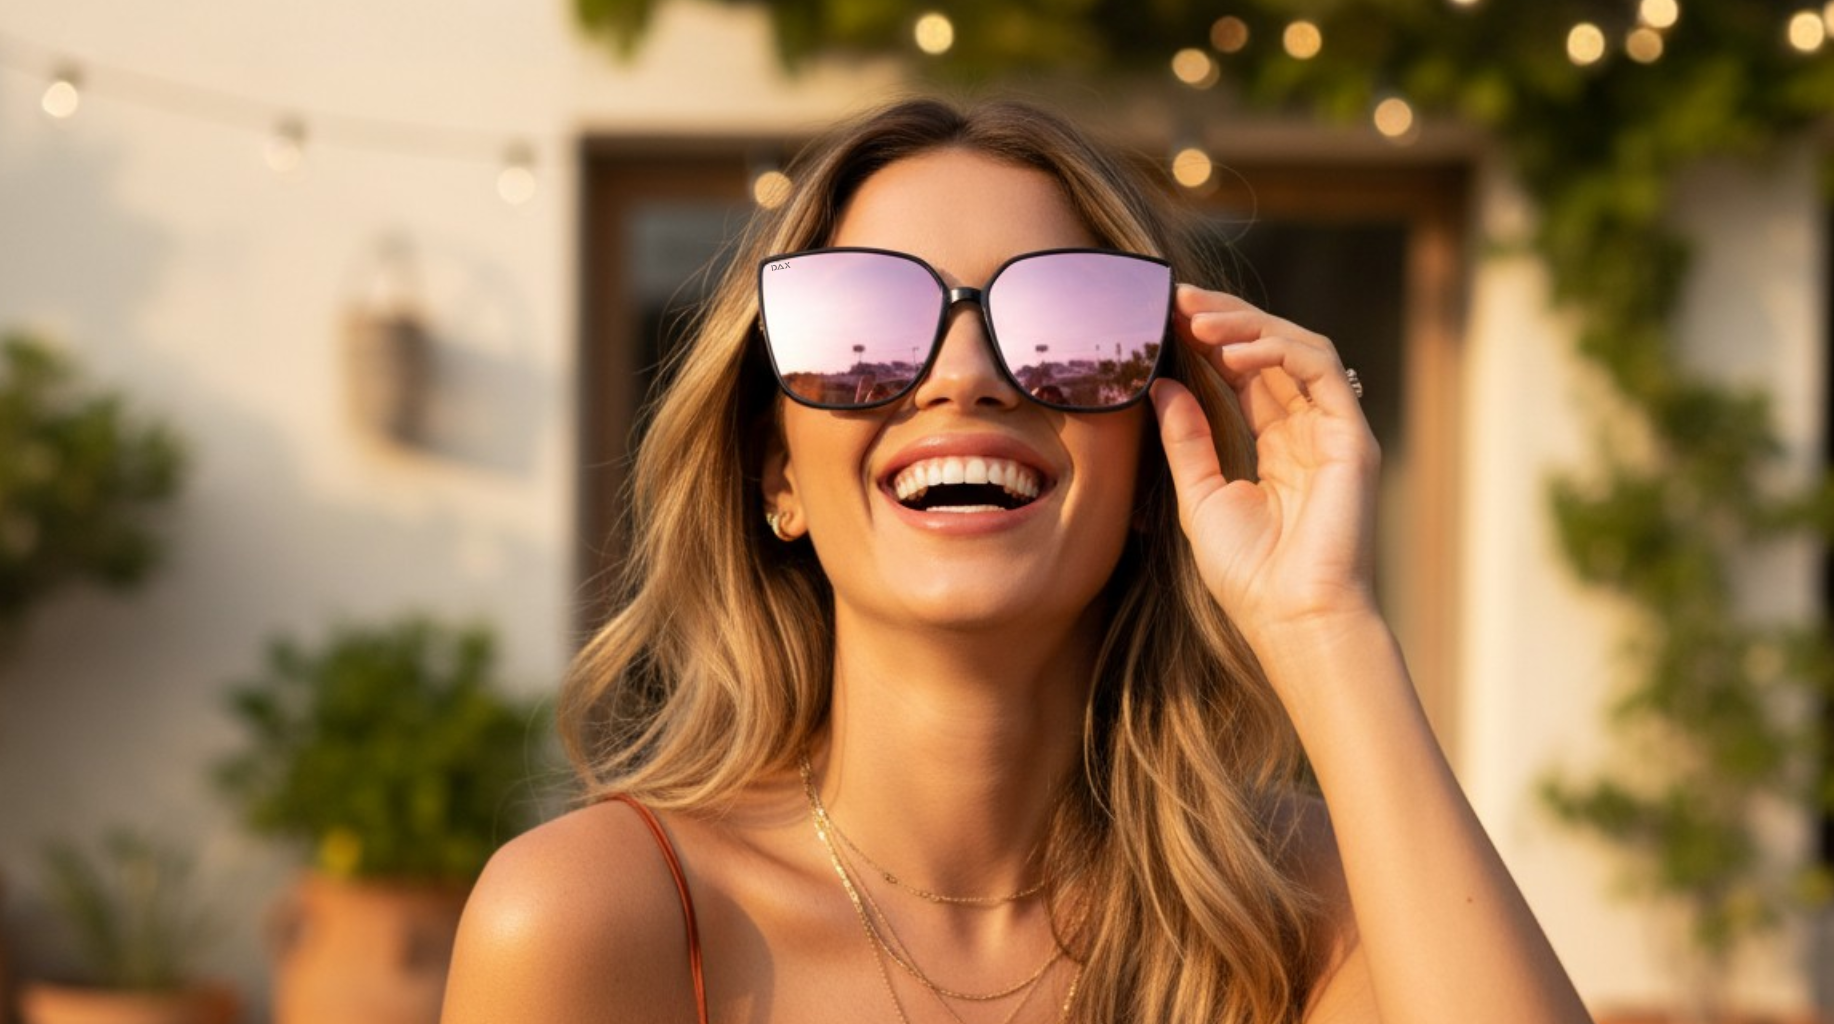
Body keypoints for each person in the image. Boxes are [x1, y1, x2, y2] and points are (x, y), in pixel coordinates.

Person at [441, 97, 1592, 1024]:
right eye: (859, 325)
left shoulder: (1297, 910)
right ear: (774, 475)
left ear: (1149, 467)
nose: (963, 374)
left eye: (1068, 325)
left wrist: (1323, 627)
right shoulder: (604, 919)